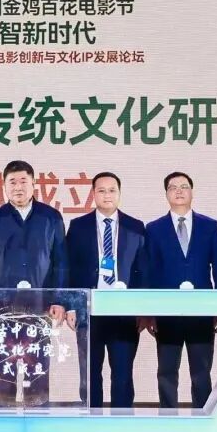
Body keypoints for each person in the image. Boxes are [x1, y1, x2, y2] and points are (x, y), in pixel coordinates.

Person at [0, 160, 68, 406]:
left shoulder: (51, 218)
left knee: (37, 370)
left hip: (40, 307)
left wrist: (59, 300)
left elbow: (60, 262)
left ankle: (38, 424)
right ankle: (1, 424)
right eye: (12, 182)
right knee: (2, 371)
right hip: (1, 309)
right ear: (4, 186)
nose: (18, 187)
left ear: (34, 183)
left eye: (23, 181)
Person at [65, 172, 148, 408]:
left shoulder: (135, 226)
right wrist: (71, 305)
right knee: (90, 372)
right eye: (101, 190)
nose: (107, 195)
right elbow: (69, 268)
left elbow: (143, 271)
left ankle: (121, 425)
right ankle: (91, 422)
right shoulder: (78, 226)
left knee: (122, 374)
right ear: (93, 194)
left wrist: (143, 309)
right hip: (89, 309)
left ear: (119, 194)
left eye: (112, 190)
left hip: (124, 312)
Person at [143, 172, 217, 409]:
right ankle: (168, 419)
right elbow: (149, 272)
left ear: (192, 192)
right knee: (167, 370)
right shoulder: (154, 229)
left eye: (184, 186)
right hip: (167, 312)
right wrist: (149, 312)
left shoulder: (210, 226)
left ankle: (203, 419)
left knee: (201, 371)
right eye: (173, 187)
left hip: (202, 311)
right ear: (166, 194)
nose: (179, 191)